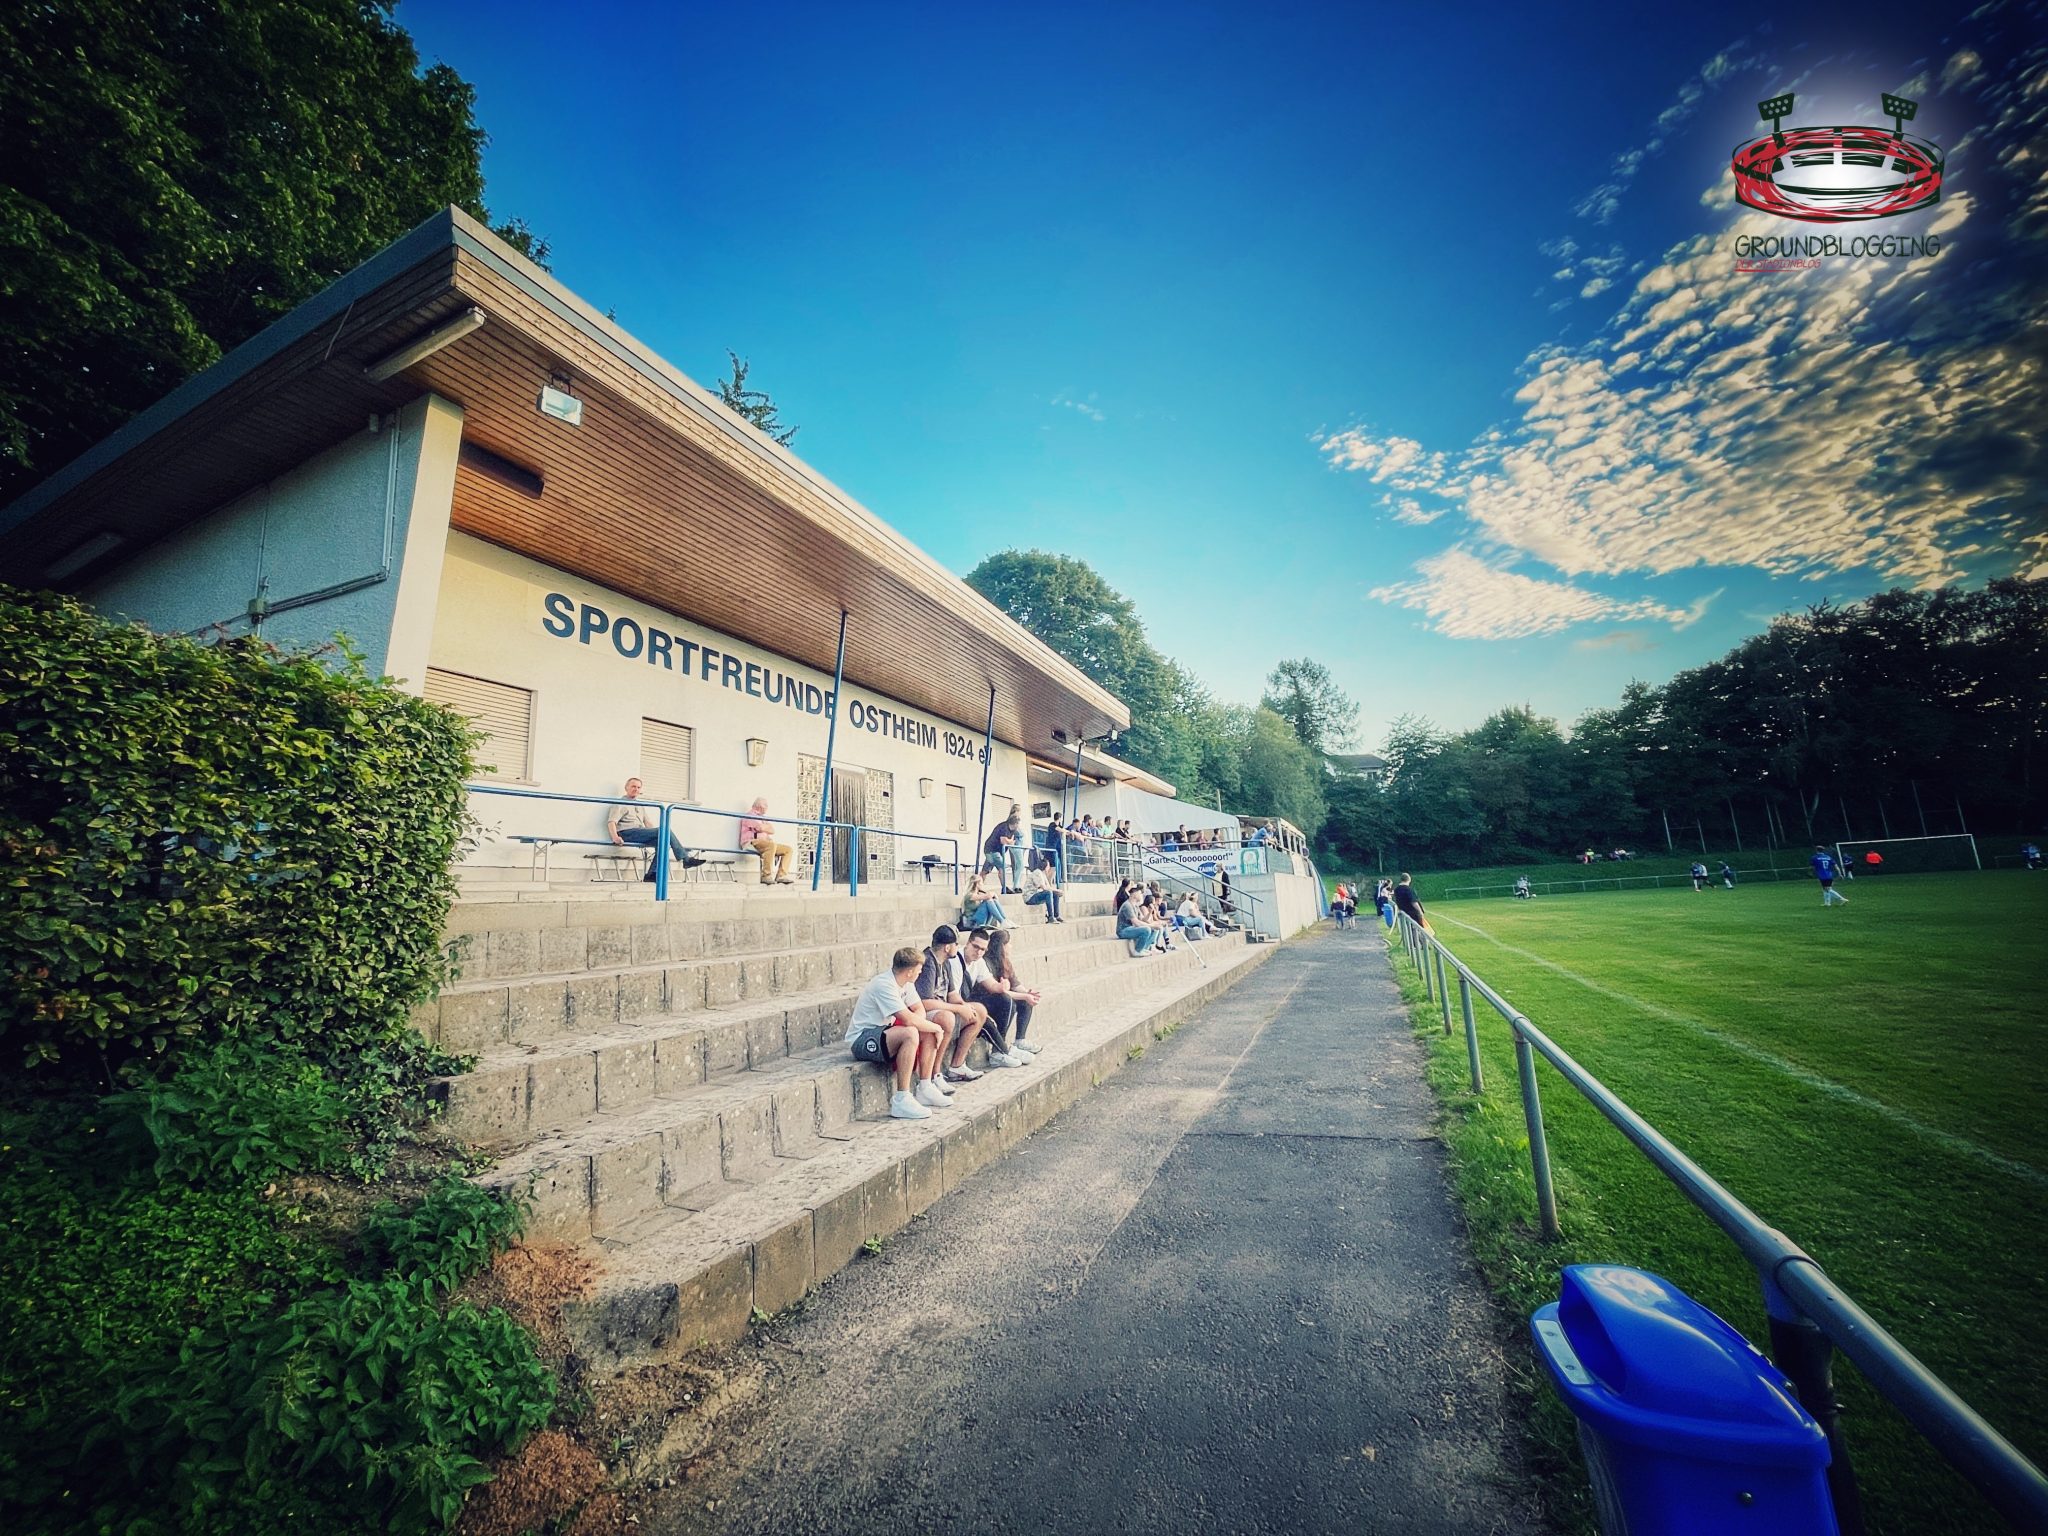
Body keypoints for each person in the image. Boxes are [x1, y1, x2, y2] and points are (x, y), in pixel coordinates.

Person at [844, 947, 944, 1118]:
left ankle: (925, 1087)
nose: (920, 972)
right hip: (862, 1039)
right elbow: (909, 1020)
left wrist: (927, 1027)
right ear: (909, 971)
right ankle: (901, 1100)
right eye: (919, 969)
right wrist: (936, 1027)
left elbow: (918, 1009)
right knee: (912, 1032)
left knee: (926, 1031)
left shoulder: (906, 983)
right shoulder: (883, 984)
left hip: (883, 1033)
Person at [962, 928, 1034, 1067]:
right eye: (976, 947)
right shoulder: (985, 961)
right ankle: (1002, 1050)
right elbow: (992, 991)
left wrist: (1024, 993)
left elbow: (1004, 985)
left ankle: (1015, 1043)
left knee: (1021, 1001)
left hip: (986, 1000)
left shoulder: (992, 962)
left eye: (982, 949)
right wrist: (1018, 993)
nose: (979, 952)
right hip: (977, 1000)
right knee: (1006, 1002)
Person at [606, 777, 701, 883]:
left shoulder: (640, 805)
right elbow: (611, 822)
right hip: (626, 833)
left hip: (639, 833)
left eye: (638, 787)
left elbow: (648, 823)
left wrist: (659, 834)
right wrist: (615, 837)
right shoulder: (620, 803)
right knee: (664, 830)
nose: (636, 789)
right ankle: (686, 859)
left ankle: (652, 874)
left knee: (663, 841)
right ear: (626, 788)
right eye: (633, 786)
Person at [737, 798, 795, 885]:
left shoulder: (762, 818)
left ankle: (781, 876)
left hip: (764, 843)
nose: (767, 807)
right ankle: (766, 876)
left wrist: (765, 828)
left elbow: (772, 830)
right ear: (759, 806)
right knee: (771, 846)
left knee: (788, 850)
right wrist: (765, 827)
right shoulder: (750, 815)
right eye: (765, 805)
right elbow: (760, 828)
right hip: (751, 842)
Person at [963, 863, 1009, 929]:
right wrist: (993, 894)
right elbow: (988, 896)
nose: (983, 884)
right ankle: (1002, 921)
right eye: (981, 882)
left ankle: (1005, 920)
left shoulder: (978, 894)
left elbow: (992, 897)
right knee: (988, 901)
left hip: (979, 920)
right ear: (977, 884)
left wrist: (994, 897)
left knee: (992, 900)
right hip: (971, 922)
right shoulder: (970, 895)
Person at [984, 812, 1021, 894]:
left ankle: (976, 887)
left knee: (985, 871)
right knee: (1002, 866)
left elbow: (1011, 841)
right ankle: (1004, 888)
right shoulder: (1004, 827)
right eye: (1018, 824)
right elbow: (1003, 841)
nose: (1019, 826)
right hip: (992, 850)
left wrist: (1009, 841)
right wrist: (1010, 841)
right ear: (1015, 824)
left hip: (994, 851)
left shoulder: (1013, 830)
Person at [1024, 850, 1064, 923]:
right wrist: (1057, 890)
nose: (1049, 867)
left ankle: (1056, 916)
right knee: (1048, 893)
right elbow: (1044, 888)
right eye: (1048, 866)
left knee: (1055, 894)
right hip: (1030, 897)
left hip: (1035, 895)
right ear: (1045, 866)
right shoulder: (1037, 872)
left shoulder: (1043, 875)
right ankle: (1050, 917)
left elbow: (1048, 887)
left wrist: (1057, 892)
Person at [1117, 882, 1157, 955]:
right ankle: (1137, 951)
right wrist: (1151, 925)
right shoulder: (1127, 905)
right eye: (1140, 893)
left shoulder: (1135, 906)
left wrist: (1150, 912)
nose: (1141, 895)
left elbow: (1142, 919)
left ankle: (1143, 948)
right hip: (1123, 931)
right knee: (1147, 929)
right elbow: (1136, 922)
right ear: (1134, 894)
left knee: (1153, 930)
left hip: (1131, 928)